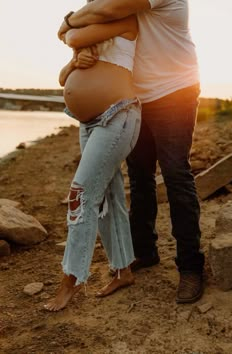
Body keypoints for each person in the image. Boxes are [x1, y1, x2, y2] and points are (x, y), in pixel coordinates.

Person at [57, 0, 205, 304]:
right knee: (139, 177)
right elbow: (92, 21)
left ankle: (191, 267)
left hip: (174, 91)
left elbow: (104, 12)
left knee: (176, 174)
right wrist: (75, 35)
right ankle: (145, 251)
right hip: (137, 97)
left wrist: (69, 21)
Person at [44, 6, 141, 311]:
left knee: (81, 194)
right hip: (87, 123)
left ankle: (70, 280)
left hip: (118, 116)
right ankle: (123, 270)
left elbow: (71, 35)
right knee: (109, 197)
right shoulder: (97, 34)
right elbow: (63, 78)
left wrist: (68, 27)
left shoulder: (126, 17)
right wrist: (74, 62)